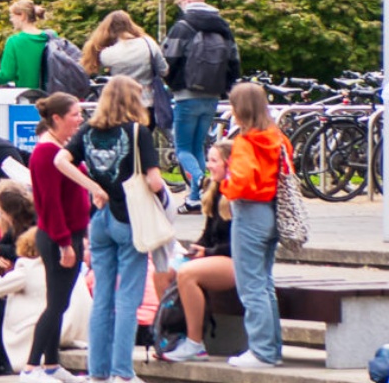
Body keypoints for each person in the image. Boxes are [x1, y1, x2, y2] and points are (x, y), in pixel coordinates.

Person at [61, 78, 161, 383]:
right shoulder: (136, 132)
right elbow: (155, 181)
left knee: (102, 298)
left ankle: (97, 371)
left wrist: (94, 187)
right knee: (128, 298)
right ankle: (123, 372)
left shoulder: (88, 132)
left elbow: (60, 160)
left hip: (100, 219)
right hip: (130, 219)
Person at [24, 91, 94, 383]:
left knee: (60, 302)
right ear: (57, 118)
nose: (80, 119)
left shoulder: (60, 150)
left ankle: (51, 363)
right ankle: (31, 367)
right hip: (58, 237)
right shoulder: (45, 154)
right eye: (74, 114)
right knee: (55, 304)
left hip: (72, 234)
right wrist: (65, 243)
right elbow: (49, 204)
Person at [217, 83, 286, 368]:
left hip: (249, 212)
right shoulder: (276, 137)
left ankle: (262, 351)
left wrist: (226, 188)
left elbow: (242, 181)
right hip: (271, 211)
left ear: (240, 109)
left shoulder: (246, 142)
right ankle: (271, 348)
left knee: (251, 285)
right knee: (264, 283)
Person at [0, 226, 92, 374]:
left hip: (49, 330)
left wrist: (0, 279)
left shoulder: (28, 268)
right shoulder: (70, 270)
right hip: (76, 331)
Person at [164, 0, 241, 216]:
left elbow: (168, 59)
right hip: (212, 96)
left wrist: (173, 84)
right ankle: (196, 199)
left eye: (180, 2)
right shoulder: (223, 27)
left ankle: (200, 182)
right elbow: (234, 61)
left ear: (187, 1)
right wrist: (224, 88)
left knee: (183, 148)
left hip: (186, 95)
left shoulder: (182, 26)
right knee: (198, 146)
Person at [157, 141, 235, 363]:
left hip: (234, 260)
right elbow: (207, 233)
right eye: (208, 159)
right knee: (163, 270)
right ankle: (172, 335)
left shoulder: (237, 194)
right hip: (213, 256)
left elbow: (237, 243)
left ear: (229, 163)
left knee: (187, 274)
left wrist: (208, 252)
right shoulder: (214, 189)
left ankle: (195, 343)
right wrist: (195, 249)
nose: (208, 166)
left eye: (213, 161)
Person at [0, 0, 52, 90]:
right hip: (53, 97)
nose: (11, 19)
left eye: (12, 16)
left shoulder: (14, 41)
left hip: (28, 97)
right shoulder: (51, 36)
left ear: (22, 15)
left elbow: (6, 75)